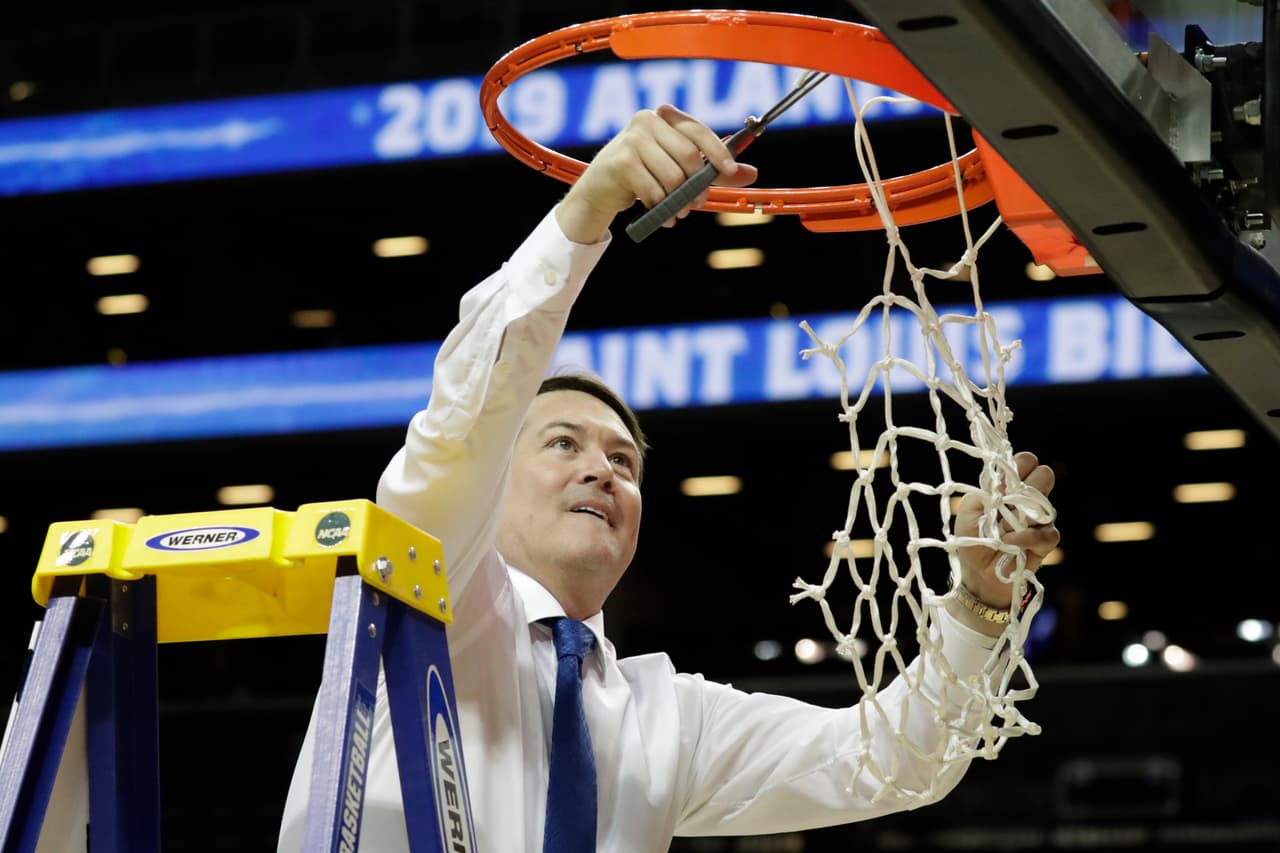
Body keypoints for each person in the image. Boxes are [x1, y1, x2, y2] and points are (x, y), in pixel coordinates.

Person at [277, 104, 1060, 851]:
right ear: (497, 481)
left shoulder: (664, 718)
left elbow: (891, 760)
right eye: (562, 443)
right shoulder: (429, 595)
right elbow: (464, 426)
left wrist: (981, 602)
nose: (601, 469)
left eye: (623, 461)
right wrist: (587, 209)